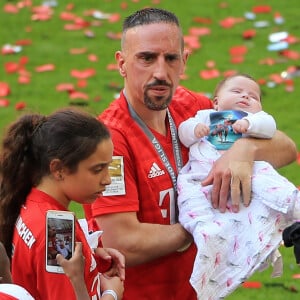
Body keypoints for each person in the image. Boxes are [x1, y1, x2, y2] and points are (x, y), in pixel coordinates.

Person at [83, 8, 297, 300]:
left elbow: (286, 148)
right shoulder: (110, 139)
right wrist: (205, 226)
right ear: (122, 63)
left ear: (183, 61)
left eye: (170, 58)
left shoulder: (192, 107)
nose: (160, 72)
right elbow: (122, 242)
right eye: (146, 58)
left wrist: (245, 150)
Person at [177, 73, 300, 299]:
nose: (245, 95)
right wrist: (194, 130)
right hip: (204, 174)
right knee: (191, 203)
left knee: (272, 183)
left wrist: (249, 123)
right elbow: (184, 133)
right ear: (215, 102)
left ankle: (293, 206)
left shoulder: (255, 120)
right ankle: (208, 242)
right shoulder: (205, 115)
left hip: (250, 171)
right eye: (236, 92)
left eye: (253, 96)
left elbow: (269, 125)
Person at [0, 108, 125, 300]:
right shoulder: (58, 232)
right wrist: (111, 294)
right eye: (98, 169)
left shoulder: (28, 199)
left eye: (108, 166)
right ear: (58, 169)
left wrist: (90, 255)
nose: (107, 179)